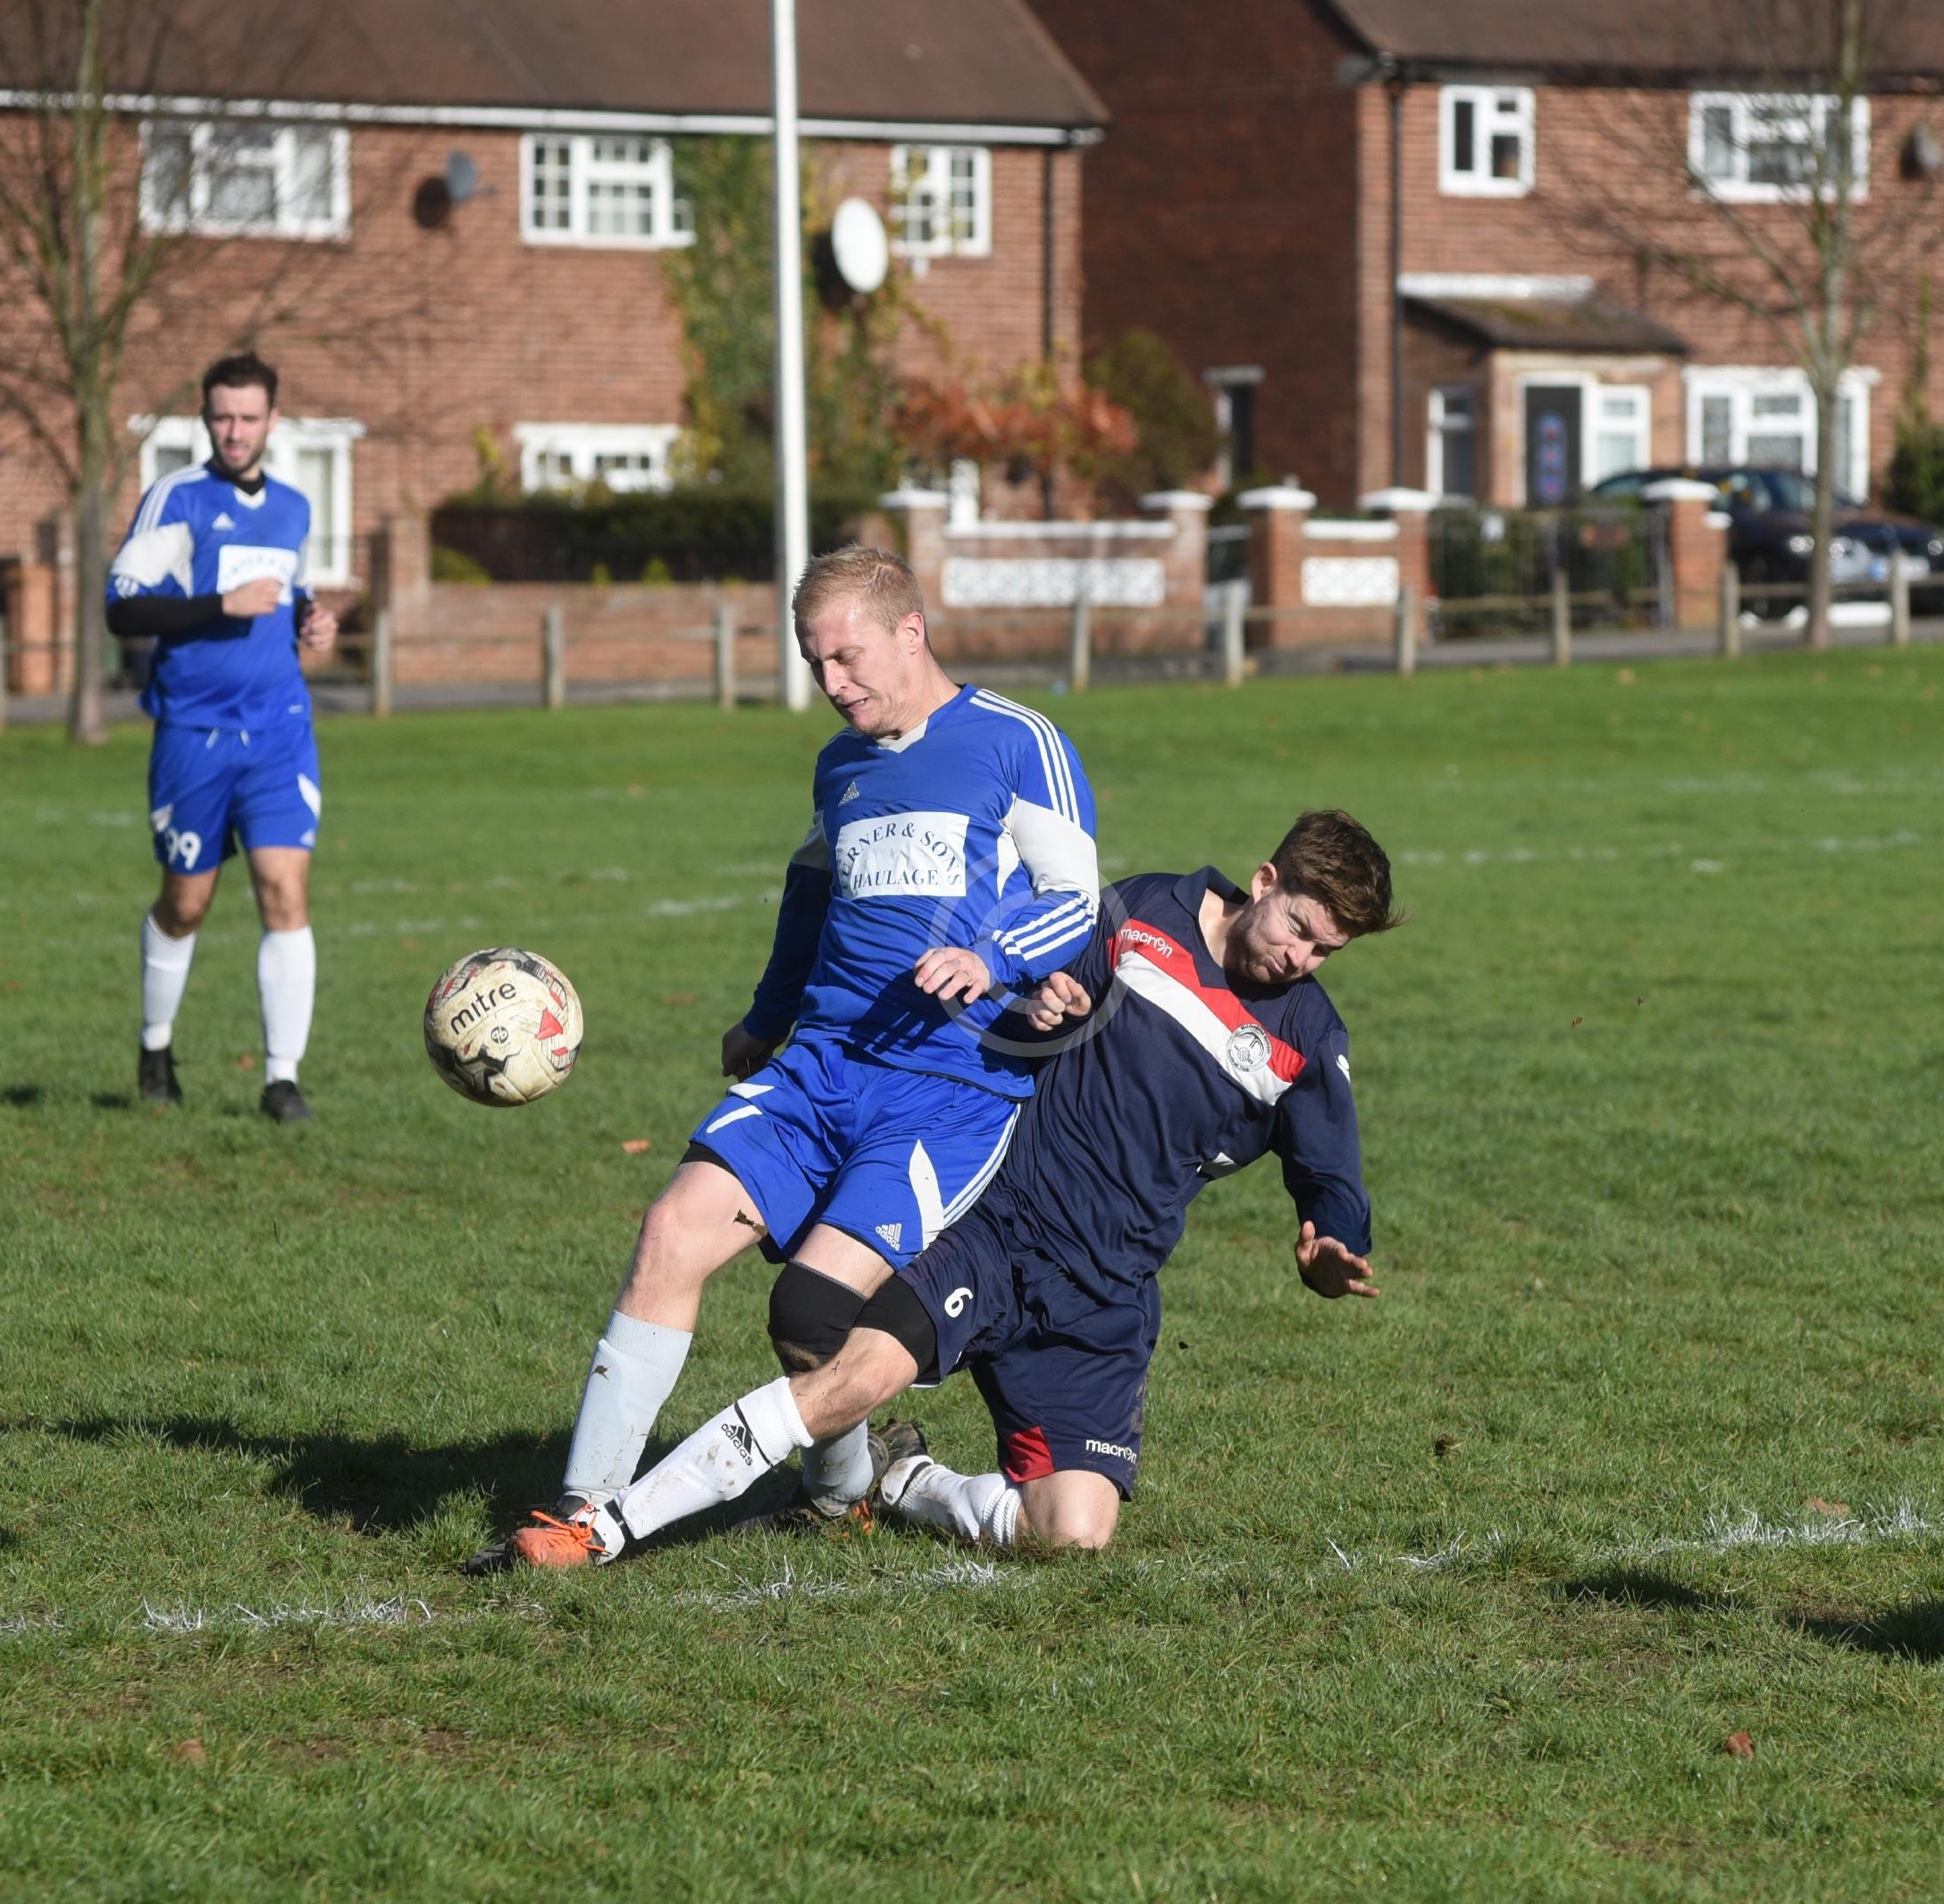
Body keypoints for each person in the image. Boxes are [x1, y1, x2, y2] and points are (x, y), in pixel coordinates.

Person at [480, 809, 1399, 1568]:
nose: (1302, 960)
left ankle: (907, 1483)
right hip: (995, 1227)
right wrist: (1041, 1003)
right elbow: (1033, 988)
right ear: (1264, 882)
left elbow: (1330, 1170)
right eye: (1299, 932)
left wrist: (1329, 1237)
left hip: (1103, 1293)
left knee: (1071, 1533)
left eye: (1327, 952)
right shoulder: (1136, 912)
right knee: (846, 1376)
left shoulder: (1305, 1038)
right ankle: (605, 1529)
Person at [473, 545, 1100, 1564]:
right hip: (818, 1062)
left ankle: (847, 1486)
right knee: (672, 1226)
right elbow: (810, 897)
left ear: (910, 631)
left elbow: (1075, 898)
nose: (830, 685)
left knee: (807, 1306)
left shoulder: (1014, 741)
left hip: (946, 1087)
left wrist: (989, 956)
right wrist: (765, 1018)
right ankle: (580, 1508)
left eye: (846, 658)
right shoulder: (840, 763)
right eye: (815, 664)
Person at [106, 352, 339, 1123]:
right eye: (221, 417)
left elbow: (285, 591)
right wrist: (218, 603)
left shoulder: (295, 508)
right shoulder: (178, 499)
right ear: (205, 419)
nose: (234, 432)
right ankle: (155, 1043)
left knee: (285, 891)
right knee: (186, 904)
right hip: (193, 734)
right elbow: (124, 608)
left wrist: (310, 618)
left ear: (274, 420)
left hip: (280, 730)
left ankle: (281, 1079)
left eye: (248, 417)